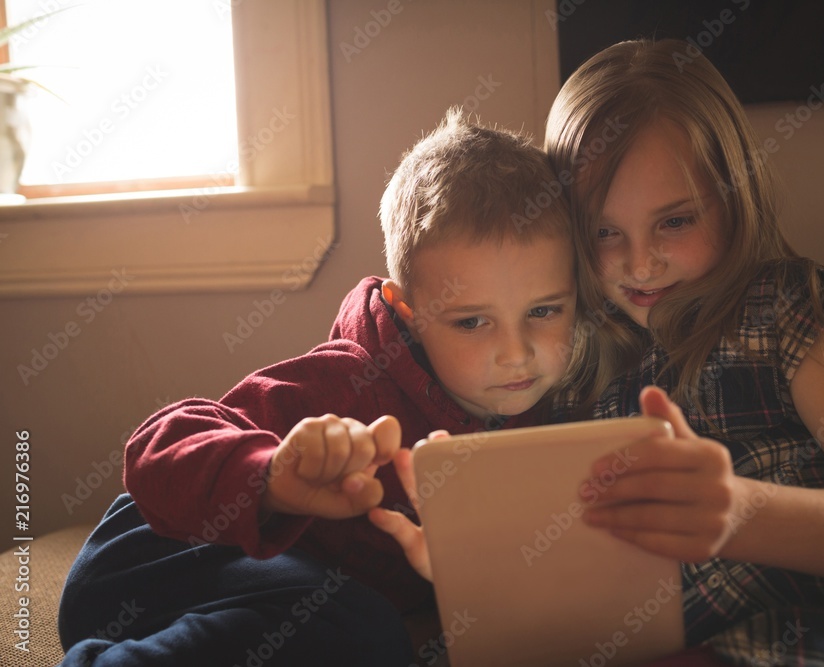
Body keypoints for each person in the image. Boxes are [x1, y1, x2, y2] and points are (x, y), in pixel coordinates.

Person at [57, 107, 580, 666]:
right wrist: (271, 477)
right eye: (472, 322)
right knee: (357, 625)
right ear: (410, 311)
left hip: (276, 598)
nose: (516, 351)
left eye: (544, 311)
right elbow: (157, 444)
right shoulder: (346, 386)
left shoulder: (562, 404)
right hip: (163, 553)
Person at [542, 38, 824, 665]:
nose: (639, 261)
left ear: (735, 200)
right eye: (603, 232)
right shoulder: (574, 382)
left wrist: (739, 511)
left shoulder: (781, 307)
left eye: (675, 220)